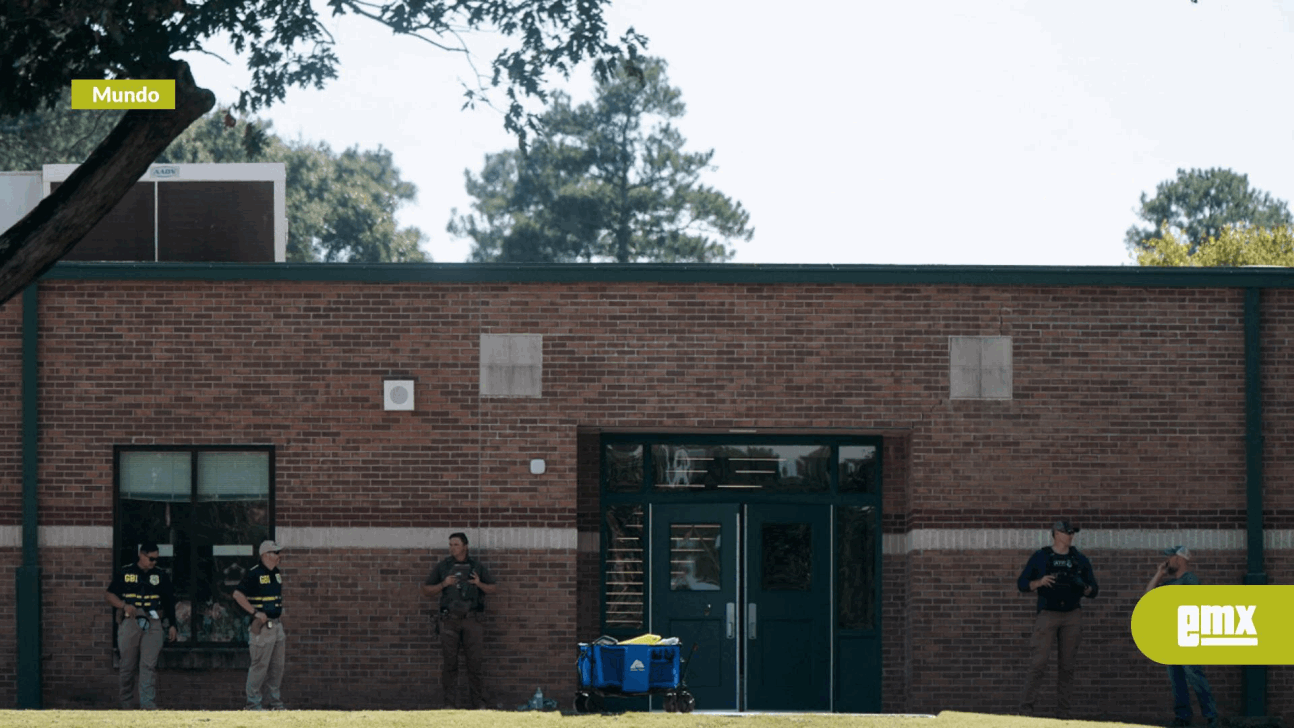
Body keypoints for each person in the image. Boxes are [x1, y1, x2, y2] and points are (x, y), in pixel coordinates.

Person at [1016, 519, 1100, 719]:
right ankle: (1025, 712)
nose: (1070, 536)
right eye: (1066, 532)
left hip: (1072, 615)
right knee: (1038, 664)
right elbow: (1021, 584)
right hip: (1048, 615)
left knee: (1067, 666)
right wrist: (1039, 582)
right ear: (1055, 533)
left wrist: (1084, 587)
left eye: (1072, 533)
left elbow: (1094, 590)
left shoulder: (1079, 559)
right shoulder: (1041, 557)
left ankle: (1063, 715)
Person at [422, 532, 499, 709]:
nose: (452, 548)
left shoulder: (476, 566)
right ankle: (449, 704)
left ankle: (478, 703)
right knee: (450, 664)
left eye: (455, 545)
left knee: (475, 664)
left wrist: (479, 583)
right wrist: (444, 584)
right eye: (450, 545)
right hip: (450, 620)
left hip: (473, 620)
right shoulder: (443, 567)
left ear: (465, 546)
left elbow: (493, 588)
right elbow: (426, 590)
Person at [1145, 546, 1219, 728]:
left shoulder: (1190, 580)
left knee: (1194, 676)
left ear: (1180, 559)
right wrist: (1159, 574)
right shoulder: (1169, 584)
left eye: (1170, 557)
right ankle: (1183, 718)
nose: (1167, 561)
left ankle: (1212, 717)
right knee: (1177, 679)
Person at [104, 541, 178, 709]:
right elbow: (109, 595)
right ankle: (126, 705)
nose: (154, 562)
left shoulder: (160, 575)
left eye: (156, 559)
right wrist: (123, 606)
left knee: (148, 666)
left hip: (153, 621)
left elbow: (168, 601)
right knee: (127, 666)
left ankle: (148, 706)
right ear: (141, 555)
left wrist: (172, 624)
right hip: (131, 620)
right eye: (151, 559)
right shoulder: (126, 572)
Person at [233, 539, 287, 710]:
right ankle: (253, 703)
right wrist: (255, 613)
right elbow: (237, 595)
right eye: (276, 553)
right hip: (262, 627)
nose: (279, 556)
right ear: (265, 555)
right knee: (260, 666)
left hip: (277, 626)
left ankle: (275, 703)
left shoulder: (276, 573)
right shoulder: (254, 574)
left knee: (277, 667)